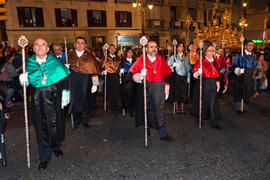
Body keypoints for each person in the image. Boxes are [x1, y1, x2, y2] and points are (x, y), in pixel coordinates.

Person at [19, 38, 70, 170]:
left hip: (54, 99)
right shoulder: (28, 64)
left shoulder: (56, 63)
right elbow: (27, 85)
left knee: (56, 123)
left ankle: (56, 146)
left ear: (48, 49)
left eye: (43, 45)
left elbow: (64, 80)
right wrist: (23, 81)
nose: (40, 47)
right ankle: (44, 157)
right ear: (33, 48)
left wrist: (65, 94)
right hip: (37, 101)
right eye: (37, 45)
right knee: (41, 128)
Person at [129, 41, 173, 141]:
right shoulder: (141, 60)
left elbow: (166, 74)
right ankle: (147, 129)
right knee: (146, 109)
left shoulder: (160, 59)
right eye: (151, 47)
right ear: (146, 49)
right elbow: (132, 75)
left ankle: (163, 134)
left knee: (159, 111)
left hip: (158, 88)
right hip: (146, 87)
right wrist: (140, 75)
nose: (154, 49)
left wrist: (167, 89)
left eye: (155, 47)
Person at [68, 37, 100, 129]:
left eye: (82, 43)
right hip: (73, 79)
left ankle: (85, 120)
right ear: (75, 44)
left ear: (85, 45)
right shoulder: (69, 56)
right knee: (74, 100)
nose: (80, 45)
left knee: (85, 100)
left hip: (86, 80)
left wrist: (95, 84)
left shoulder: (90, 57)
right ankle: (76, 121)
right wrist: (65, 68)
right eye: (78, 43)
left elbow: (94, 71)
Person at [191, 41, 221, 129]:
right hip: (204, 83)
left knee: (213, 102)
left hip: (213, 83)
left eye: (213, 50)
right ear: (205, 52)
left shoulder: (214, 61)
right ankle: (199, 117)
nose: (212, 52)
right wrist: (198, 72)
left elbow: (216, 73)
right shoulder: (201, 61)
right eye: (210, 50)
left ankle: (214, 121)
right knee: (203, 101)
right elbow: (194, 74)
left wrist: (217, 82)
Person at [232, 40, 257, 113]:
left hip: (249, 75)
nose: (251, 47)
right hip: (241, 75)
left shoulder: (252, 55)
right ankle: (239, 108)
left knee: (246, 90)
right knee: (240, 90)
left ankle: (243, 106)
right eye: (249, 45)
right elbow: (234, 65)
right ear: (245, 46)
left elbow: (254, 65)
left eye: (252, 45)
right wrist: (239, 69)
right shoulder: (240, 55)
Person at [167, 41, 191, 113]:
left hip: (183, 77)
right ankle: (176, 108)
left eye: (182, 46)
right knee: (176, 92)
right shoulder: (173, 57)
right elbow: (167, 67)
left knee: (183, 92)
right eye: (180, 46)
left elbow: (188, 68)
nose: (181, 48)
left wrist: (188, 78)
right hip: (176, 76)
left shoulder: (186, 58)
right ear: (177, 48)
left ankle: (182, 108)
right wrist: (172, 66)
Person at [101, 44, 121, 111]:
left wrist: (120, 71)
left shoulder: (118, 58)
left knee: (116, 89)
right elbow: (102, 66)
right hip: (109, 75)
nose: (112, 50)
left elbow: (120, 66)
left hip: (116, 75)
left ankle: (115, 103)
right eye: (111, 48)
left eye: (113, 48)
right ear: (108, 49)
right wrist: (103, 71)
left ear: (115, 49)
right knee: (110, 90)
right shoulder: (105, 57)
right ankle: (112, 103)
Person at [117, 47, 136, 116]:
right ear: (126, 53)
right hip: (126, 80)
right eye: (129, 52)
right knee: (128, 90)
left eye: (131, 52)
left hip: (135, 80)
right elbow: (119, 71)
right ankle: (129, 107)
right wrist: (121, 71)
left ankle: (133, 106)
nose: (130, 54)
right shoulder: (123, 62)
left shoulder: (135, 62)